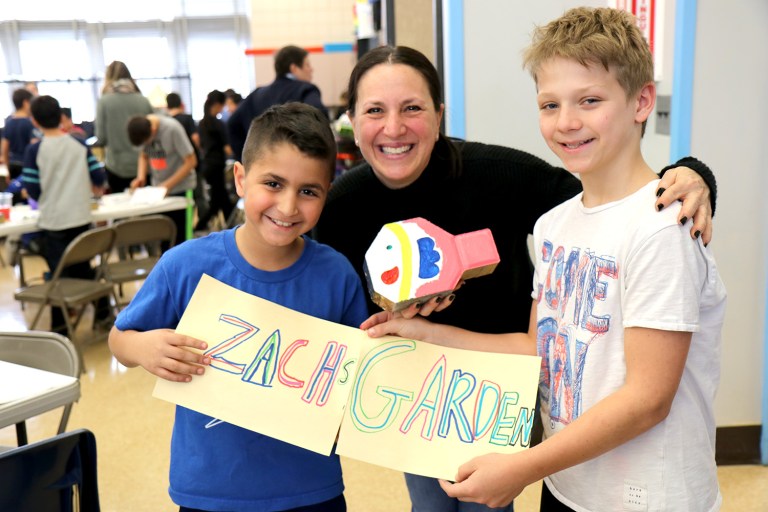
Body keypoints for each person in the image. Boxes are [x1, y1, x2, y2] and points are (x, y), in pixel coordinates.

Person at [312, 45, 717, 512]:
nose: (394, 127)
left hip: (505, 389)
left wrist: (691, 177)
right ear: (352, 121)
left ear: (439, 114)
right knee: (431, 504)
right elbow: (314, 284)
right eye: (374, 111)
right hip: (415, 384)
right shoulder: (342, 203)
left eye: (413, 108)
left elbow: (606, 200)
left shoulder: (499, 174)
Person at [108, 102, 368, 512]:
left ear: (326, 193)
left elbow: (365, 368)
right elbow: (120, 337)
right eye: (273, 184)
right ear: (241, 178)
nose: (287, 207)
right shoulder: (186, 265)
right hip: (211, 490)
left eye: (308, 191)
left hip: (311, 487)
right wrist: (143, 349)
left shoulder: (336, 275)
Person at [21, 95, 111, 333]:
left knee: (59, 275)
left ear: (35, 121)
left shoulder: (35, 150)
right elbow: (99, 177)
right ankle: (103, 314)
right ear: (61, 116)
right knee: (83, 266)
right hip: (81, 218)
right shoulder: (79, 144)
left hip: (53, 221)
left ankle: (61, 327)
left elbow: (31, 188)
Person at [228, 45, 328, 161]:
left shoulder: (257, 94)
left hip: (262, 165)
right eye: (307, 65)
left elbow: (233, 123)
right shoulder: (306, 90)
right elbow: (320, 118)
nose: (311, 69)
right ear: (294, 68)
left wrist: (245, 158)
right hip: (296, 165)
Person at [127, 113, 197, 247]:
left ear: (153, 131)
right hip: (159, 193)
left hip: (181, 190)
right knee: (165, 238)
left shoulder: (172, 129)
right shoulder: (143, 128)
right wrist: (140, 177)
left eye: (148, 142)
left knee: (181, 240)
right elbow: (143, 156)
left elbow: (191, 161)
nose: (147, 145)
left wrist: (167, 185)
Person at [95, 60, 154, 193]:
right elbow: (154, 134)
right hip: (144, 168)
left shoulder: (104, 101)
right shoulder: (143, 100)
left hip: (116, 167)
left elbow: (101, 137)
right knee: (147, 210)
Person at [194, 90, 235, 231]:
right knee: (220, 202)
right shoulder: (219, 124)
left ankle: (230, 227)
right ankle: (200, 227)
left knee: (220, 201)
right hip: (217, 166)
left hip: (207, 166)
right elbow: (228, 148)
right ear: (217, 104)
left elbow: (199, 144)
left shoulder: (201, 124)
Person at [166, 91, 207, 227]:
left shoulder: (167, 122)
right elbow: (195, 138)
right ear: (181, 104)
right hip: (191, 163)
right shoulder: (187, 118)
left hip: (174, 167)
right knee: (199, 195)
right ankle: (202, 223)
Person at [2, 88, 39, 179]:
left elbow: (4, 147)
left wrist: (7, 169)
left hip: (13, 164)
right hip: (27, 164)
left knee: (16, 191)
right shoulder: (31, 122)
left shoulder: (9, 122)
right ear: (26, 103)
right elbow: (35, 145)